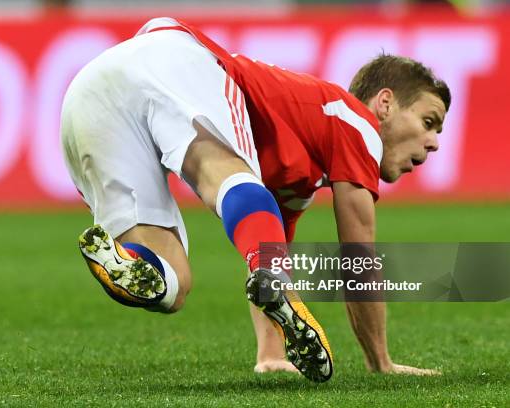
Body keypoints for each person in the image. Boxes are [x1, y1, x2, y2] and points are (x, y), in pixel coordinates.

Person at [60, 17, 450, 382]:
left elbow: (266, 245)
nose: (433, 143)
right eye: (428, 122)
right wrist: (380, 362)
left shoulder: (303, 167)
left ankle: (130, 263)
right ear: (384, 104)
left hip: (89, 91)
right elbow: (357, 256)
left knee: (172, 286)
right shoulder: (357, 123)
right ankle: (270, 274)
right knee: (224, 178)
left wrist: (271, 354)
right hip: (173, 55)